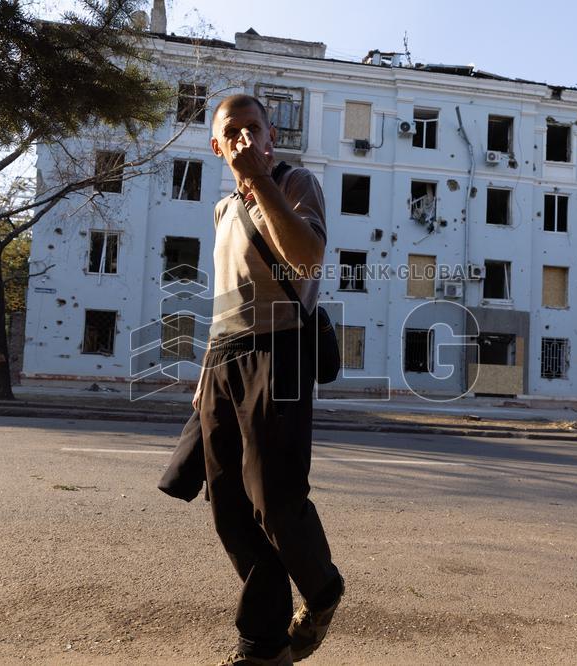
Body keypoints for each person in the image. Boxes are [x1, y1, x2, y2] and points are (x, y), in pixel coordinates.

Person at [193, 94, 344, 666]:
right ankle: (263, 648)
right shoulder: (221, 209)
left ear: (270, 135)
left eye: (252, 129)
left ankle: (323, 588)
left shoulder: (296, 181)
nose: (243, 140)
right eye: (232, 132)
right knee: (230, 508)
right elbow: (224, 295)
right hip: (224, 358)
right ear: (217, 146)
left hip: (279, 353)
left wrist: (265, 187)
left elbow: (306, 259)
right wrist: (206, 370)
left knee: (274, 499)